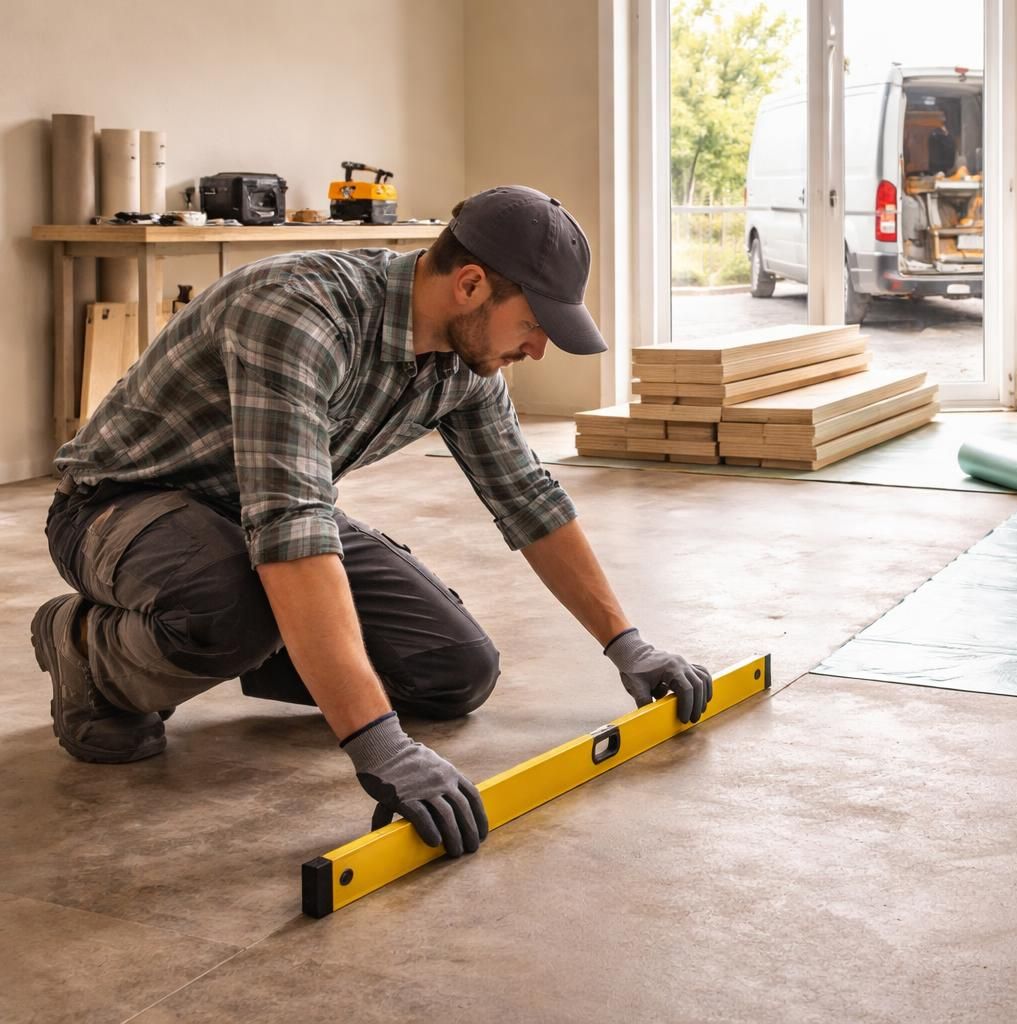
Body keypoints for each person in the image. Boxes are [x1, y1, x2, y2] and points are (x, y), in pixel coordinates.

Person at [32, 185, 713, 858]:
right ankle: (88, 652)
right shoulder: (299, 312)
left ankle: (273, 638)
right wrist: (376, 743)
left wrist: (628, 645)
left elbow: (527, 497)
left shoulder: (463, 366)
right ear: (471, 285)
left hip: (257, 513)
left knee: (454, 671)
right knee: (236, 608)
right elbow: (292, 525)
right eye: (535, 324)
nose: (538, 349)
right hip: (119, 507)